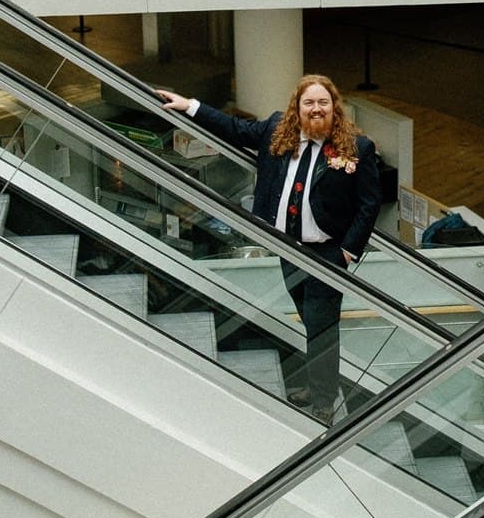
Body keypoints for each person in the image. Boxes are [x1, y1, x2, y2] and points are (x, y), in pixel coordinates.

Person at [156, 74, 381, 424]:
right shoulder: (278, 128)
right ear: (298, 107)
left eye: (323, 103)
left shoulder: (356, 148)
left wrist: (348, 252)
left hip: (326, 253)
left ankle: (323, 399)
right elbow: (233, 129)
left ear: (334, 108)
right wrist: (190, 106)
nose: (316, 109)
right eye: (310, 103)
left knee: (322, 326)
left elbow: (369, 204)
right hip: (286, 247)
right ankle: (316, 383)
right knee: (309, 320)